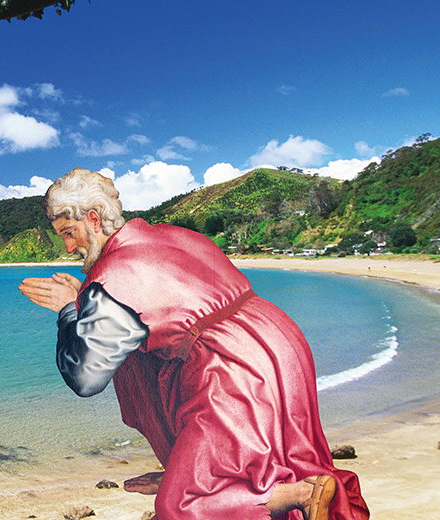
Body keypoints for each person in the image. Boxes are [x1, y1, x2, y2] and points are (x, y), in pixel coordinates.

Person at [19, 168, 369, 520]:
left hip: (229, 367)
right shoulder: (168, 236)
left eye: (69, 232)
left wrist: (68, 310)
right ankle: (252, 488)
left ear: (93, 219)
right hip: (279, 345)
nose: (68, 247)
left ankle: (299, 493)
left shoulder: (113, 273)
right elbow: (159, 310)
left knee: (181, 507)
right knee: (266, 461)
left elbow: (86, 376)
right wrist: (183, 471)